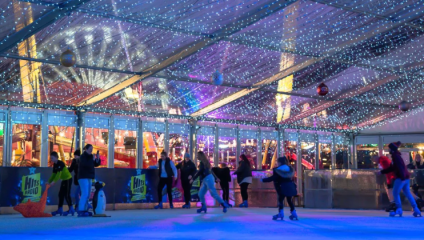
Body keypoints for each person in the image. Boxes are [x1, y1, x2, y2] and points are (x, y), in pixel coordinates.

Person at [381, 142, 421, 217]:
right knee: (407, 193)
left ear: (392, 149)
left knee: (395, 193)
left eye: (389, 148)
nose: (388, 149)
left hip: (401, 178)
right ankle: (416, 209)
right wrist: (383, 171)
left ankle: (399, 209)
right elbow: (395, 167)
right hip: (405, 178)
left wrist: (402, 177)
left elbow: (399, 167)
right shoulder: (397, 156)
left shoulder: (395, 156)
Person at [77, 144, 101, 217]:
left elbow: (96, 164)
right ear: (86, 149)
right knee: (85, 193)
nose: (91, 150)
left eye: (92, 149)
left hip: (89, 177)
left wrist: (97, 159)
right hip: (83, 177)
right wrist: (93, 160)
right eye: (90, 149)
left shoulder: (91, 157)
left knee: (88, 194)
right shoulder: (82, 157)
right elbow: (86, 165)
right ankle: (81, 210)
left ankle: (85, 209)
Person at [48, 151, 74, 216]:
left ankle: (71, 209)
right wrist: (49, 181)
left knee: (67, 194)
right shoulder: (55, 165)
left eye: (52, 158)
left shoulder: (61, 163)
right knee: (60, 194)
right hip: (64, 180)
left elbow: (58, 175)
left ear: (56, 157)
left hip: (68, 179)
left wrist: (53, 182)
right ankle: (60, 209)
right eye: (51, 158)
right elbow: (53, 175)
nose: (51, 160)